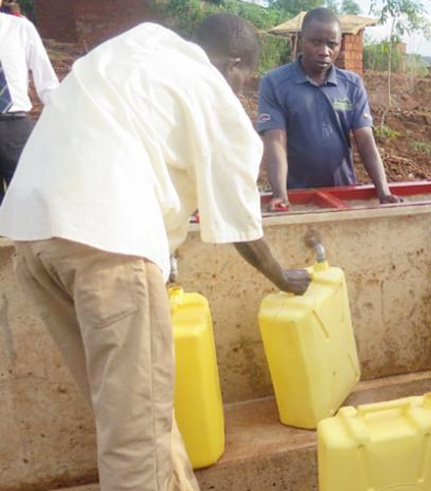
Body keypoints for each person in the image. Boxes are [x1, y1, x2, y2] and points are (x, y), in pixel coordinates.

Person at [0, 14, 311, 491]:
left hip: (32, 234)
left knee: (131, 411)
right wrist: (281, 277)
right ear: (234, 64)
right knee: (137, 439)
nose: (241, 90)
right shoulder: (211, 90)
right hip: (108, 245)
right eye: (245, 79)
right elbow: (241, 225)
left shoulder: (134, 46)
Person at [258, 8, 399, 210]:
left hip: (343, 193)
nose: (324, 51)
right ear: (301, 40)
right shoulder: (275, 84)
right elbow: (275, 142)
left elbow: (365, 140)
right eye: (316, 42)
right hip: (296, 196)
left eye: (332, 44)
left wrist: (384, 191)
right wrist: (280, 194)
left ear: (340, 44)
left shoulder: (351, 85)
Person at [0, 1, 58, 202]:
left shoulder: (20, 28)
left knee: (29, 200)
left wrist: (61, 114)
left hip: (16, 127)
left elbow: (46, 80)